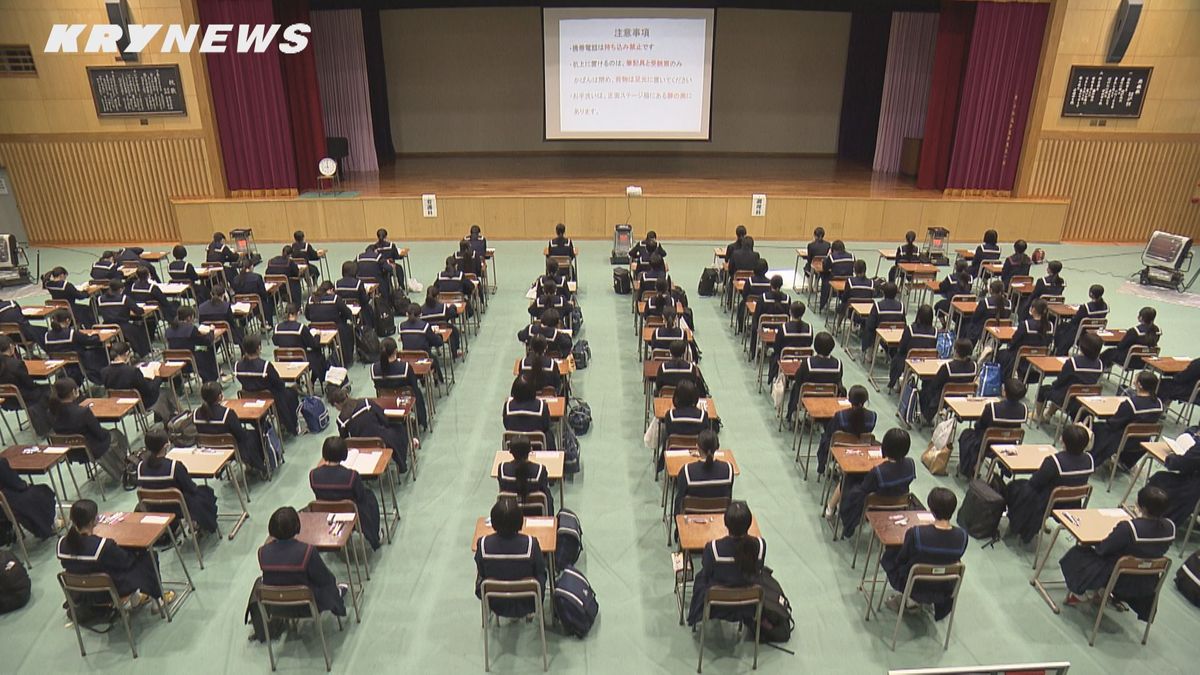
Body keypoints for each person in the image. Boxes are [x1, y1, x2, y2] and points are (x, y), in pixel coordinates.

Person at [1060, 485, 1174, 619]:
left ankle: (1083, 592)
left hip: (1119, 578)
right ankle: (1101, 593)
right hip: (1146, 582)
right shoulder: (1170, 528)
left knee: (1080, 551)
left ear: (1143, 508)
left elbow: (1103, 549)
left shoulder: (1129, 528)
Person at [881, 487, 968, 618]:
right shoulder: (962, 537)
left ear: (931, 509)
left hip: (914, 585)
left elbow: (901, 559)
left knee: (890, 555)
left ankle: (911, 600)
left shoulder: (917, 533)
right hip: (943, 588)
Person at [58, 499, 165, 606]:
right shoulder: (103, 546)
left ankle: (136, 600)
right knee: (148, 556)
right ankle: (157, 602)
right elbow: (126, 561)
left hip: (80, 592)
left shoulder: (62, 544)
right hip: (107, 592)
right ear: (92, 521)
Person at [1005, 424, 1094, 543]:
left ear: (1063, 440)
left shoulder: (1054, 461)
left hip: (1047, 502)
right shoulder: (1089, 461)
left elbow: (1035, 483)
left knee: (1015, 487)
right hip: (1071, 503)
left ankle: (1017, 523)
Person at [258, 506, 347, 617]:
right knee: (328, 582)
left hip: (277, 606)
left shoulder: (262, 552)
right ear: (297, 527)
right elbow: (324, 578)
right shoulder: (307, 551)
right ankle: (337, 594)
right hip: (307, 606)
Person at [686, 501, 765, 626]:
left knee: (700, 578)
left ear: (725, 523)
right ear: (749, 523)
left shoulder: (713, 549)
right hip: (749, 605)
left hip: (717, 606)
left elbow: (707, 572)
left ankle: (695, 618)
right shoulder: (760, 546)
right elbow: (758, 570)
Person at [834, 428, 917, 539]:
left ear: (885, 446)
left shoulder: (878, 472)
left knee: (848, 479)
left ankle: (831, 509)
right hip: (899, 502)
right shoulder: (910, 464)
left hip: (876, 504)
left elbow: (863, 491)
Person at [474, 497, 546, 618]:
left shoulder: (483, 544)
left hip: (494, 602)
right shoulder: (531, 544)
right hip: (528, 600)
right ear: (520, 520)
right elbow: (540, 571)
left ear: (494, 522)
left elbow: (481, 571)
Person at [136, 429, 218, 535]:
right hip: (178, 508)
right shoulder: (174, 467)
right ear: (166, 446)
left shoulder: (140, 467)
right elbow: (191, 488)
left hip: (153, 507)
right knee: (206, 492)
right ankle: (196, 523)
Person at [310, 437, 381, 551]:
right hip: (350, 512)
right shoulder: (351, 476)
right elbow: (360, 497)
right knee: (370, 497)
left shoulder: (313, 475)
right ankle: (375, 535)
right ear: (344, 454)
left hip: (326, 512)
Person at [49, 378, 127, 479]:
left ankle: (118, 466)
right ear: (74, 391)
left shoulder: (52, 414)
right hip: (91, 449)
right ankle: (123, 465)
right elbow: (100, 435)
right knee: (115, 434)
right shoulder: (83, 412)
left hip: (72, 452)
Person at [193, 382, 270, 479]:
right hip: (232, 448)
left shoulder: (196, 414)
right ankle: (258, 465)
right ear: (220, 396)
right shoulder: (227, 413)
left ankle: (251, 465)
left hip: (210, 449)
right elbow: (241, 435)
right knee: (255, 434)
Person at [1090, 371, 1164, 470]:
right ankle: (1125, 462)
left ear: (1139, 385)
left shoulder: (1131, 404)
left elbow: (1113, 424)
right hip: (1143, 439)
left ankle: (1091, 459)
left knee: (1096, 426)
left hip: (1124, 439)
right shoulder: (1159, 404)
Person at [957, 378, 1028, 479]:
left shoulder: (992, 408)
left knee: (967, 434)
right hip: (1008, 444)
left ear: (1004, 391)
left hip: (988, 444)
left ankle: (971, 467)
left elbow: (979, 425)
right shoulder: (1023, 410)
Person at [329, 388, 409, 474]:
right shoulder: (366, 403)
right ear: (347, 395)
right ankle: (403, 462)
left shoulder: (341, 420)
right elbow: (384, 419)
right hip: (382, 440)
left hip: (362, 448)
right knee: (399, 427)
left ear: (336, 404)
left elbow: (345, 440)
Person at [235, 336, 300, 437]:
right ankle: (291, 424)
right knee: (291, 393)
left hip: (249, 399)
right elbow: (279, 383)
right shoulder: (265, 366)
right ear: (258, 348)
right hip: (270, 399)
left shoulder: (238, 366)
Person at [1036, 332, 1103, 423]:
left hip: (1068, 400)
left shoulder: (1073, 362)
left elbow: (1061, 380)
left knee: (1045, 389)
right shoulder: (1100, 365)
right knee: (1063, 390)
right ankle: (1049, 413)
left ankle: (1039, 417)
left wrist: (1055, 386)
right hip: (1084, 400)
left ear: (1081, 346)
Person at [101, 341, 175, 423]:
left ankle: (162, 418)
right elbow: (149, 390)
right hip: (140, 403)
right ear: (127, 354)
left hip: (119, 403)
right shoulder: (133, 371)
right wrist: (157, 377)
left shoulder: (104, 372)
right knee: (166, 391)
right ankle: (172, 421)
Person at [816, 384, 876, 476]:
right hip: (861, 448)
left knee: (825, 437)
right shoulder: (873, 416)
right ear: (865, 400)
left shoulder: (840, 416)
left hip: (840, 448)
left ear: (849, 399)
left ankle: (823, 467)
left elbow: (831, 434)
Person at [372, 337, 429, 430]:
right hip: (404, 398)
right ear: (395, 351)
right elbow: (413, 385)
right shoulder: (405, 367)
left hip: (385, 400)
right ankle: (422, 420)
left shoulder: (374, 369)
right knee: (416, 391)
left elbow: (377, 385)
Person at [786, 332, 844, 422]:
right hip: (829, 399)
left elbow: (798, 378)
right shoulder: (838, 365)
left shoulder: (808, 363)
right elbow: (838, 381)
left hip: (806, 398)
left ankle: (792, 413)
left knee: (796, 386)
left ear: (816, 347)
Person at [673, 429, 733, 517]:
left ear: (697, 447)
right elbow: (728, 496)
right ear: (718, 447)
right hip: (719, 519)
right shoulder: (728, 469)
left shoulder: (687, 471)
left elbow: (679, 500)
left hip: (692, 519)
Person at [1148, 429, 1200, 529]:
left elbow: (1182, 463)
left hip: (1193, 489)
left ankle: (1153, 517)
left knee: (1159, 478)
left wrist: (1171, 457)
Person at [0, 335, 51, 434]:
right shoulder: (16, 364)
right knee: (48, 389)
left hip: (6, 401)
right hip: (25, 398)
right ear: (11, 346)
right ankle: (48, 423)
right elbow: (30, 385)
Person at [920, 338, 977, 424]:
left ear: (955, 351)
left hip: (944, 397)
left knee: (926, 386)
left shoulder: (947, 367)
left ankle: (926, 416)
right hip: (962, 397)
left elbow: (935, 384)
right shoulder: (974, 367)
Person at [0, 454, 57, 540]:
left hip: (4, 503)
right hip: (7, 503)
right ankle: (45, 527)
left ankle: (41, 527)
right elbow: (17, 485)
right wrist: (25, 485)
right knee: (42, 491)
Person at [43, 309, 105, 385]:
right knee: (100, 351)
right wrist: (96, 335)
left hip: (59, 366)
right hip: (78, 364)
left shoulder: (47, 336)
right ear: (68, 320)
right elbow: (90, 340)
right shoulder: (71, 333)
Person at [996, 299, 1053, 379]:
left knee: (999, 354)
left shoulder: (1025, 325)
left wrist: (1009, 346)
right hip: (1040, 360)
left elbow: (1013, 342)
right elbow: (1049, 342)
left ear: (1033, 309)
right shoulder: (1050, 326)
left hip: (1020, 360)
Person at [498, 435, 554, 514]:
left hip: (510, 513)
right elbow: (544, 488)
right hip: (536, 513)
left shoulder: (502, 469)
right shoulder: (540, 470)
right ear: (531, 449)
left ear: (510, 451)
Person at [273, 303, 327, 383]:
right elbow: (313, 344)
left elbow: (275, 342)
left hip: (283, 360)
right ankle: (311, 382)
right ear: (297, 313)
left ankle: (299, 383)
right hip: (301, 360)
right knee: (319, 356)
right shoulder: (301, 328)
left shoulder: (277, 328)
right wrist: (317, 335)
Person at [165, 306, 220, 383]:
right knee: (208, 349)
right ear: (189, 318)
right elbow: (206, 341)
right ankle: (210, 379)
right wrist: (211, 331)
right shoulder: (191, 329)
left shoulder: (168, 331)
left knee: (200, 348)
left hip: (174, 360)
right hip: (191, 359)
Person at [306, 282, 355, 367]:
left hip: (315, 330)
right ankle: (347, 359)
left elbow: (307, 316)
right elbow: (348, 313)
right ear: (331, 290)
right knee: (349, 328)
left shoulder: (311, 299)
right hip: (335, 329)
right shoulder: (335, 299)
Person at [889, 305, 937, 391]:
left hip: (909, 360)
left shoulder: (910, 329)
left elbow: (902, 347)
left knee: (897, 357)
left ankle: (900, 381)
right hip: (927, 363)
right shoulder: (935, 332)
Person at [97, 279, 150, 357]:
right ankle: (145, 352)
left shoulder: (100, 299)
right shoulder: (124, 298)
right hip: (122, 326)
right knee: (140, 330)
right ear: (120, 289)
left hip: (107, 326)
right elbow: (138, 311)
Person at [1053, 284, 1108, 356]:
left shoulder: (1086, 307)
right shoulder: (1105, 306)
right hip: (1094, 330)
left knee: (1062, 327)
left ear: (1091, 294)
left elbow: (1075, 320)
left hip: (1081, 331)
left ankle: (1058, 351)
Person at [399, 302, 447, 381]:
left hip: (408, 359)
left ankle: (423, 381)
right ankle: (438, 380)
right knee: (434, 359)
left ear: (407, 314)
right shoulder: (424, 326)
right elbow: (437, 342)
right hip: (424, 358)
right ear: (421, 314)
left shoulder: (401, 326)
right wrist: (439, 336)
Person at [504, 376, 554, 450]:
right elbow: (546, 425)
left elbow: (506, 425)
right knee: (548, 434)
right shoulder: (541, 405)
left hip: (515, 447)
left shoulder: (507, 406)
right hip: (538, 447)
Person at [768, 301, 813, 383]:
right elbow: (809, 343)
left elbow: (777, 348)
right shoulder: (809, 328)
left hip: (785, 359)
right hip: (802, 360)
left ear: (790, 312)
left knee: (774, 356)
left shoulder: (784, 327)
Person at [749, 275, 789, 358]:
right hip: (780, 328)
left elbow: (757, 315)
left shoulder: (763, 298)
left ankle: (753, 351)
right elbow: (787, 315)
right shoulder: (787, 299)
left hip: (765, 327)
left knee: (755, 324)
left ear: (770, 284)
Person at [862, 282, 905, 354]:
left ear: (883, 293)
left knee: (868, 328)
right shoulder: (901, 306)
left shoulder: (878, 305)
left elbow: (870, 324)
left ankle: (869, 353)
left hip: (880, 336)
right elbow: (903, 324)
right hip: (896, 336)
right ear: (896, 294)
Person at [963, 279, 1008, 343]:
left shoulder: (986, 302)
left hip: (984, 332)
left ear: (991, 290)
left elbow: (975, 318)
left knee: (968, 325)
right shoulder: (1009, 304)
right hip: (1001, 332)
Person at [230, 259, 273, 325]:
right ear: (251, 267)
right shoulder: (257, 277)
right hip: (257, 304)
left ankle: (243, 322)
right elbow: (263, 293)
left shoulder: (235, 279)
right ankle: (267, 324)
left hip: (242, 304)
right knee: (268, 301)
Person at [422, 286, 461, 356]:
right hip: (443, 329)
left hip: (429, 332)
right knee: (454, 331)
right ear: (437, 296)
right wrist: (453, 307)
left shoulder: (421, 309)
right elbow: (451, 314)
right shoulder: (442, 307)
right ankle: (455, 352)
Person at [819, 240, 855, 311]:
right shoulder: (852, 256)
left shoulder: (832, 257)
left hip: (834, 281)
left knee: (824, 276)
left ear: (833, 250)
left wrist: (828, 256)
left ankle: (823, 302)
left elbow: (825, 268)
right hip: (848, 282)